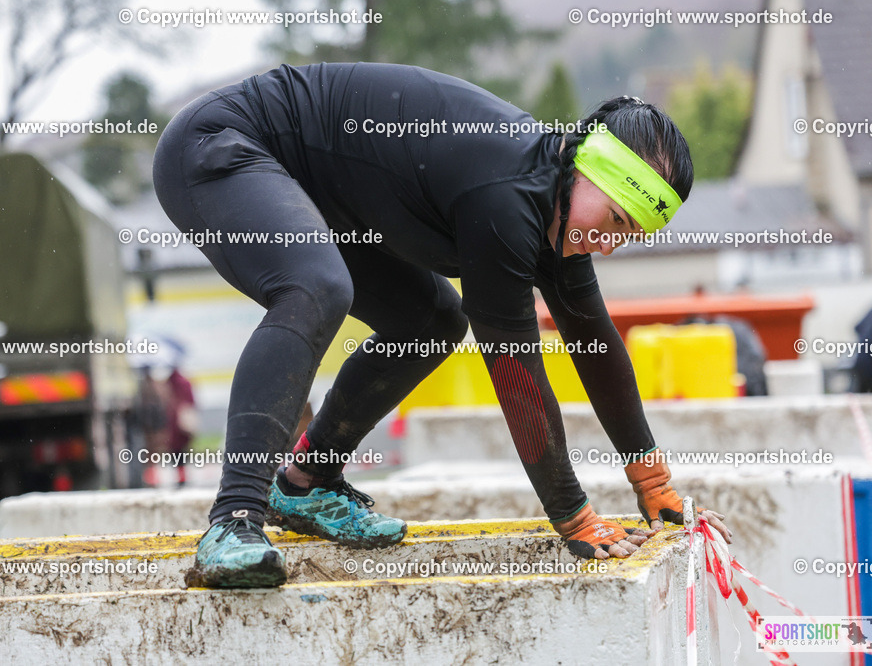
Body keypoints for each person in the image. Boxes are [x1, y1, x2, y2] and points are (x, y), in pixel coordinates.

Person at [153, 62, 732, 588]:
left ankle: (307, 482)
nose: (607, 245)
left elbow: (595, 343)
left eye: (628, 237)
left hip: (316, 188)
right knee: (316, 288)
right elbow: (517, 373)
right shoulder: (507, 198)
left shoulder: (557, 204)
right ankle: (234, 519)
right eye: (614, 221)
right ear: (587, 170)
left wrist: (652, 482)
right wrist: (573, 516)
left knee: (432, 321)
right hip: (221, 144)